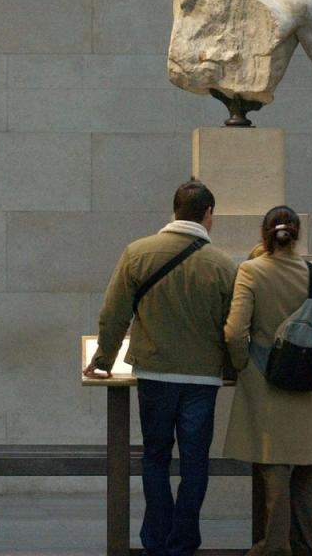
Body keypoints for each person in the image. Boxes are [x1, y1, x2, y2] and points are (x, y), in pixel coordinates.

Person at [84, 180, 238, 556]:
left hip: (154, 373)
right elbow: (235, 326)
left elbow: (113, 313)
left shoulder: (138, 253)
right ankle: (183, 541)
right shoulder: (223, 265)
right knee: (195, 461)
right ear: (208, 215)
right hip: (202, 378)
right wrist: (235, 367)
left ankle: (156, 539)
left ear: (174, 210)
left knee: (155, 456)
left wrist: (103, 359)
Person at [222, 205, 312, 556]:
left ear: (264, 234)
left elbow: (234, 333)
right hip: (306, 385)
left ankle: (273, 548)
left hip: (265, 385)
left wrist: (244, 366)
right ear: (297, 234)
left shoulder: (251, 272)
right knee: (308, 474)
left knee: (274, 476)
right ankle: (309, 547)